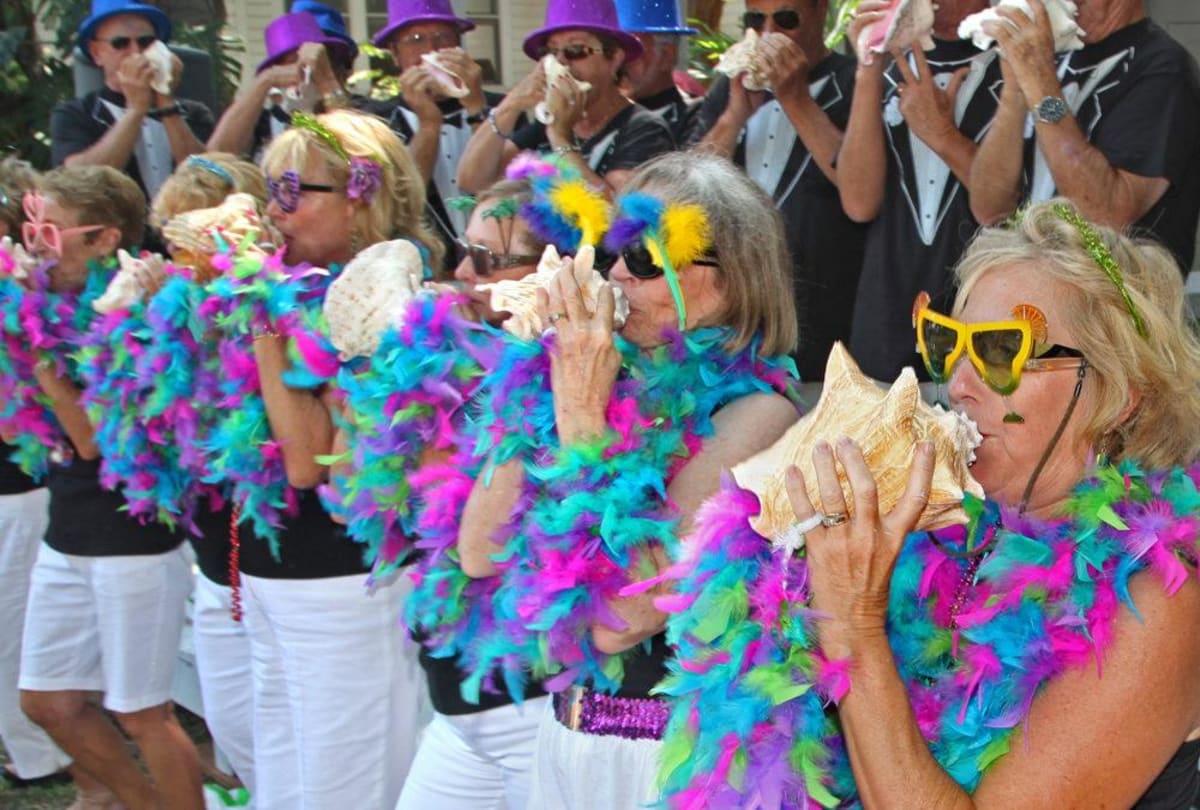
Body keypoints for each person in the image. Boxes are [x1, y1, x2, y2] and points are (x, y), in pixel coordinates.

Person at [660, 198, 1200, 808]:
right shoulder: (947, 537)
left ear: (1121, 392)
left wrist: (853, 624)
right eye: (947, 343)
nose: (960, 382)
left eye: (1002, 350)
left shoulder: (1160, 593)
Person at [441, 152, 800, 808]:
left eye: (642, 254)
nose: (612, 273)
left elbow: (628, 615)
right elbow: (478, 550)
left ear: (731, 280)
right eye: (610, 248)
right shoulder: (598, 383)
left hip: (673, 767)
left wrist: (581, 414)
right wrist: (541, 374)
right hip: (565, 743)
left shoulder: (762, 415)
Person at [245, 108, 437, 810]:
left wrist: (264, 320)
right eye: (273, 189)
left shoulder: (390, 307)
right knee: (284, 788)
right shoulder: (295, 288)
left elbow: (306, 462)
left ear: (364, 194)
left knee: (344, 793)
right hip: (278, 572)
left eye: (295, 191)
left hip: (344, 581)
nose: (274, 211)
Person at [17, 165, 201, 810]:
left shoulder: (145, 312)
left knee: (142, 712)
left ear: (103, 240)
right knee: (46, 700)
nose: (37, 244)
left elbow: (93, 438)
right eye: (30, 227)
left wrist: (31, 350)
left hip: (134, 536)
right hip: (67, 529)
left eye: (50, 230)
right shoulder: (49, 306)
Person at [383, 175, 553, 810]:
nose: (459, 271)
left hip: (532, 701)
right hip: (458, 696)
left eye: (485, 258)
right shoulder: (458, 364)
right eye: (464, 249)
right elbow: (401, 502)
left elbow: (481, 540)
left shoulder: (575, 379)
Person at [685, 0, 866, 382]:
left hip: (825, 317)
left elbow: (858, 188)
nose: (769, 34)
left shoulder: (853, 81)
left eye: (786, 19)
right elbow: (688, 189)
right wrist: (734, 116)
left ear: (821, 13)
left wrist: (794, 96)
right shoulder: (730, 89)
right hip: (739, 323)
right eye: (755, 20)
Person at [968, 0, 1200, 272]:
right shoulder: (1051, 54)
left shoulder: (1163, 67)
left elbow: (1106, 214)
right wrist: (1014, 92)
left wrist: (1040, 85)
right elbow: (989, 209)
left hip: (1111, 304)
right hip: (1040, 290)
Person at [838, 0, 995, 382]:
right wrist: (868, 67)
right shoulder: (884, 64)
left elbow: (1006, 206)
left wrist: (942, 135)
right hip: (883, 327)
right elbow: (858, 203)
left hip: (979, 332)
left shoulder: (1020, 61)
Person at [0, 158, 73, 794]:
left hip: (18, 490)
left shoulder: (26, 299)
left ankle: (37, 755)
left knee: (11, 633)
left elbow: (13, 423)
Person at [455, 0, 675, 196]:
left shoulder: (645, 128)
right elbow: (473, 182)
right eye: (551, 52)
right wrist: (511, 105)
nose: (561, 62)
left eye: (576, 50)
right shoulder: (546, 125)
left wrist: (559, 136)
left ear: (615, 58)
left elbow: (617, 213)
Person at [370, 0, 504, 272]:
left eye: (443, 38)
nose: (431, 51)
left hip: (502, 267)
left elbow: (510, 186)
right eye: (416, 40)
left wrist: (478, 108)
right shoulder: (378, 121)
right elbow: (400, 202)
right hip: (427, 273)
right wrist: (429, 124)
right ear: (395, 54)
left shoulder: (504, 109)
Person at [51, 0, 213, 201]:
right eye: (120, 43)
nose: (136, 52)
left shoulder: (192, 112)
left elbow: (207, 177)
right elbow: (81, 182)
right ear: (96, 53)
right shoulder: (75, 114)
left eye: (145, 42)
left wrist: (166, 103)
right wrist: (136, 110)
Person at [206, 10, 358, 160]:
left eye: (315, 63)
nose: (307, 73)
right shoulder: (263, 123)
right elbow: (217, 156)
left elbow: (361, 153)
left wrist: (327, 81)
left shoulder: (359, 112)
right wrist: (264, 81)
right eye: (293, 63)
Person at [613, 0, 698, 139]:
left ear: (667, 55)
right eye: (612, 49)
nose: (619, 60)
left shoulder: (694, 121)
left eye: (632, 49)